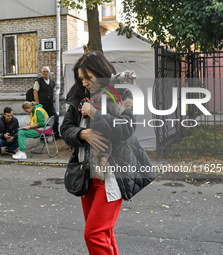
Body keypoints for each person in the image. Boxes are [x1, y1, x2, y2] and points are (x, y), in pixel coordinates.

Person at [60, 51, 154, 254]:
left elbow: (126, 127)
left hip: (112, 172)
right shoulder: (79, 96)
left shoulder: (122, 92)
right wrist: (82, 133)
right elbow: (65, 129)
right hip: (87, 172)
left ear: (101, 72)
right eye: (81, 78)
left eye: (88, 77)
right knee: (104, 233)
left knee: (94, 234)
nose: (84, 82)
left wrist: (95, 113)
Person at [33, 66, 61, 139]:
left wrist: (53, 100)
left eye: (47, 71)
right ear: (42, 73)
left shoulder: (52, 82)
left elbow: (53, 91)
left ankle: (56, 134)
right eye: (44, 71)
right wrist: (38, 103)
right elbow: (35, 92)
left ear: (49, 72)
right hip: (42, 104)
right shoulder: (38, 81)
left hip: (50, 104)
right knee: (42, 120)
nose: (46, 73)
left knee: (55, 117)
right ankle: (42, 136)